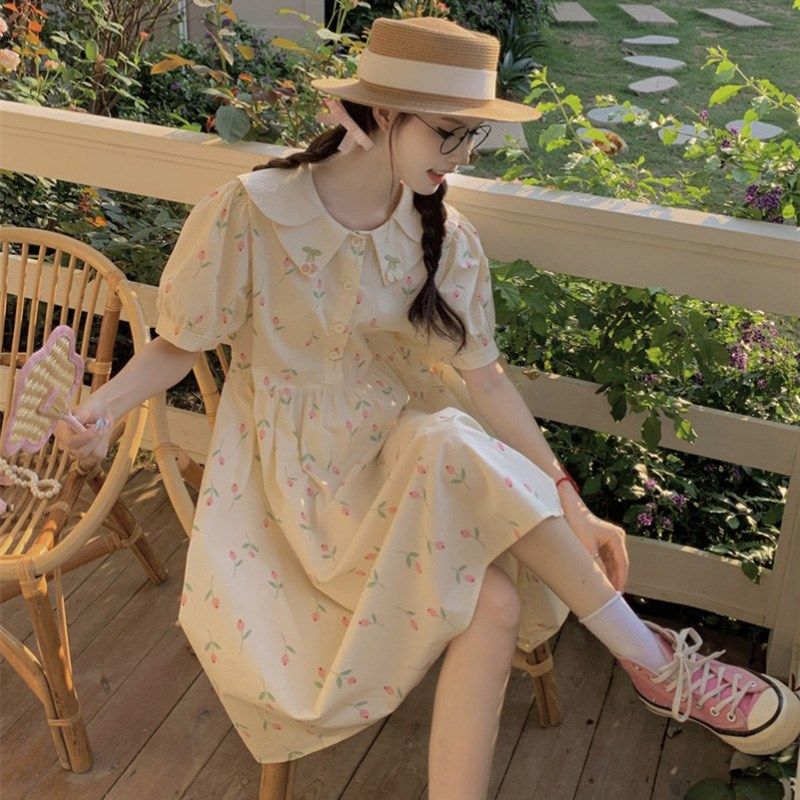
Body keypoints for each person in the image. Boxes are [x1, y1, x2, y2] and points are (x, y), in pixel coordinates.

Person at [54, 15, 800, 800]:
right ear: (380, 115)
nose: (462, 155)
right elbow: (180, 343)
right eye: (448, 134)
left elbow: (488, 383)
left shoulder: (445, 235)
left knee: (479, 547)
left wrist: (570, 503)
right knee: (460, 492)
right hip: (292, 494)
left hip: (401, 465)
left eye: (472, 136)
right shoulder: (253, 210)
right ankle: (650, 660)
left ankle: (641, 665)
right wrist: (100, 413)